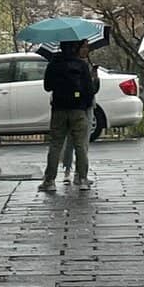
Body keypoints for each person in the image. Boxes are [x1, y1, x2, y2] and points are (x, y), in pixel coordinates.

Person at [38, 38, 96, 193]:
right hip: (78, 110)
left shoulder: (54, 63)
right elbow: (89, 90)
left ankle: (49, 180)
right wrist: (83, 105)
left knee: (56, 145)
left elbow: (47, 86)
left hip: (59, 109)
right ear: (75, 48)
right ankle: (82, 179)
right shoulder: (81, 65)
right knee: (80, 145)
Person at [62, 48, 100, 184]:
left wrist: (94, 77)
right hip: (80, 106)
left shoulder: (82, 64)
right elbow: (88, 89)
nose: (87, 49)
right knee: (76, 142)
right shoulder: (77, 64)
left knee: (77, 142)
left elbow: (92, 89)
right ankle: (74, 173)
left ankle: (76, 172)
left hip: (80, 105)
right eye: (85, 45)